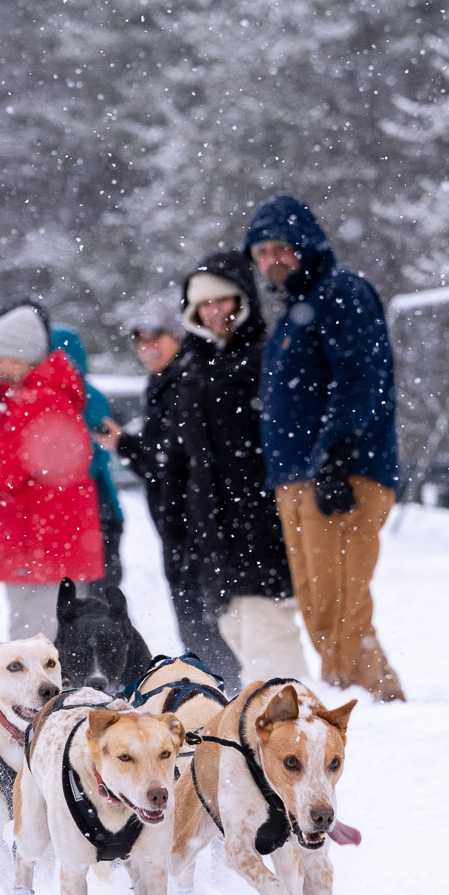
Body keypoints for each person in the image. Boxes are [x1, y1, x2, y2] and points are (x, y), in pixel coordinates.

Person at [244, 193, 406, 702]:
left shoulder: (341, 292)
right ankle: (375, 701)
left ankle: (372, 709)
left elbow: (363, 378)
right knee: (319, 607)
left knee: (341, 606)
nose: (272, 260)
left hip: (342, 474)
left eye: (280, 247)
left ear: (305, 244)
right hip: (295, 479)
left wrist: (337, 454)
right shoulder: (293, 314)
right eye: (262, 252)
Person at [171, 251, 306, 683]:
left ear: (242, 300)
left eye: (222, 300)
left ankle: (293, 728)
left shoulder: (267, 357)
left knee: (269, 628)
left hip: (261, 515)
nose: (214, 312)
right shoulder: (190, 367)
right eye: (204, 304)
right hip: (211, 525)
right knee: (237, 628)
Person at [102, 297, 243, 681]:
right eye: (140, 341)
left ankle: (224, 690)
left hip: (197, 521)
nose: (148, 348)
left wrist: (128, 447)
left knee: (205, 617)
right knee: (193, 615)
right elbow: (162, 461)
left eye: (156, 339)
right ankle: (214, 687)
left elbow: (173, 458)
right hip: (178, 523)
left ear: (178, 338)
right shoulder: (161, 383)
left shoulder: (185, 380)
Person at [0, 304, 103, 640]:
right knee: (50, 642)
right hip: (44, 544)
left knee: (33, 646)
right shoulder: (34, 397)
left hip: (37, 547)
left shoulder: (36, 402)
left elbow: (6, 469)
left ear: (22, 358)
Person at [48, 325, 127, 588]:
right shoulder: (89, 395)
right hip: (95, 510)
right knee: (101, 591)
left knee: (98, 592)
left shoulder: (83, 398)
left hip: (95, 510)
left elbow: (92, 457)